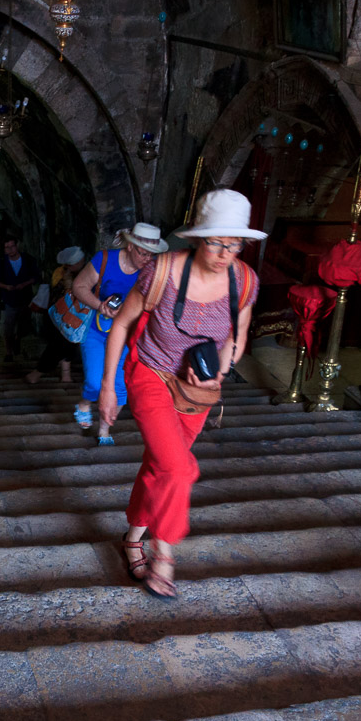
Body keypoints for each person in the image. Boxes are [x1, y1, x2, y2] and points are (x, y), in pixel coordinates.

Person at [99, 189, 262, 598]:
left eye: (235, 243)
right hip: (150, 372)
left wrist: (219, 372)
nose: (226, 252)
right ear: (196, 239)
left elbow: (237, 339)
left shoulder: (244, 281)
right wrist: (108, 388)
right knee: (179, 467)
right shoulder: (163, 273)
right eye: (216, 241)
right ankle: (164, 555)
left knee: (161, 465)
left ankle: (133, 536)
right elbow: (120, 325)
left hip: (196, 389)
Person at [72, 223, 165, 445]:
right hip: (96, 329)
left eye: (151, 254)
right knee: (95, 382)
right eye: (143, 252)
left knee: (119, 385)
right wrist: (100, 305)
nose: (147, 258)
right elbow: (79, 286)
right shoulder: (105, 259)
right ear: (131, 246)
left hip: (126, 334)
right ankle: (85, 403)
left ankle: (104, 431)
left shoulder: (151, 270)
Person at [26, 246, 87, 384]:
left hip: (64, 317)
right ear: (74, 264)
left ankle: (66, 375)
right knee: (59, 345)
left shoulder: (60, 272)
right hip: (65, 317)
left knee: (68, 344)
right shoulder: (67, 276)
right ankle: (37, 373)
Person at [0, 234, 41, 362]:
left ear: (17, 246)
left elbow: (36, 277)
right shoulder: (2, 263)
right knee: (7, 327)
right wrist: (6, 287)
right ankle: (9, 352)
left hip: (25, 299)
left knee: (23, 325)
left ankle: (18, 339)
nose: (10, 250)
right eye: (7, 248)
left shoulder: (28, 260)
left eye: (12, 246)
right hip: (8, 300)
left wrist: (24, 284)